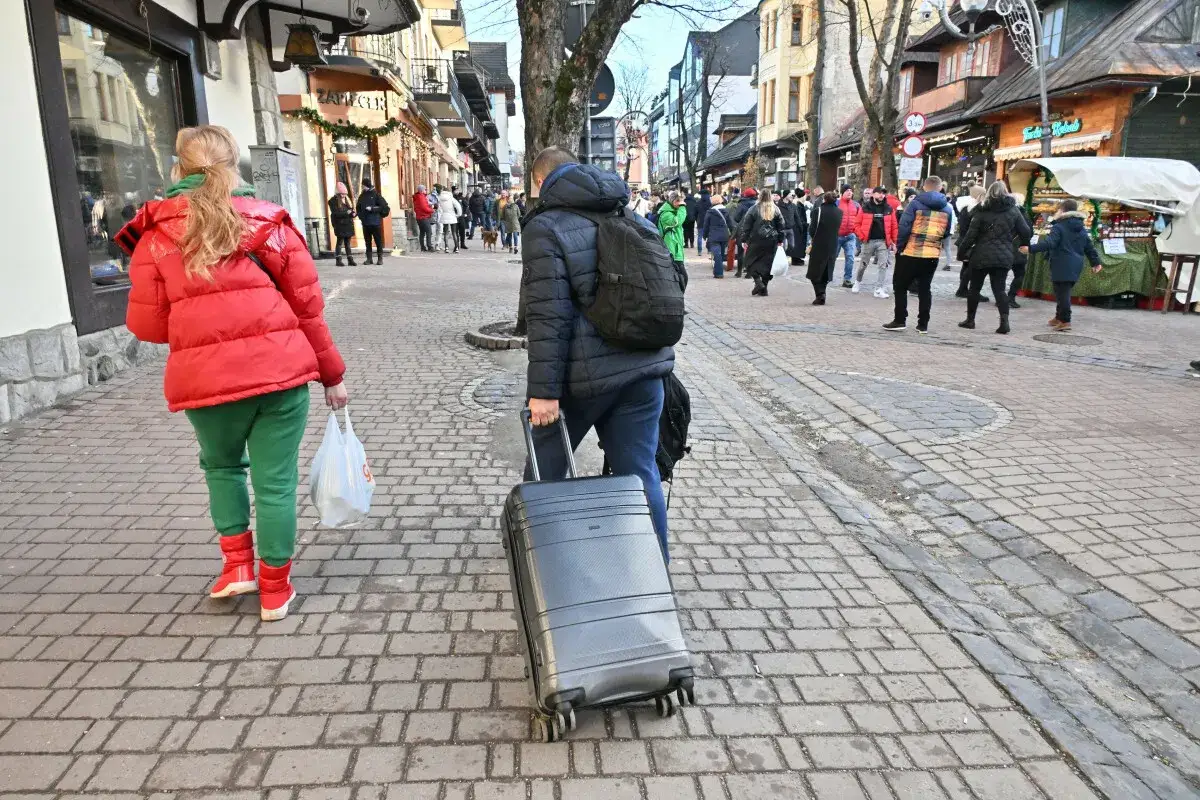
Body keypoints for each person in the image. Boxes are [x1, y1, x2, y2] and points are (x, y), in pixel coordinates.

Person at [116, 125, 348, 622]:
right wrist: (332, 375)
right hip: (281, 375)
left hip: (205, 381)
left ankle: (236, 566)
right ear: (234, 164)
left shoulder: (155, 236)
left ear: (178, 168)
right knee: (275, 484)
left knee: (221, 468)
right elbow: (309, 310)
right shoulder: (271, 224)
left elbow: (148, 325)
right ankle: (275, 590)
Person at [522, 146, 676, 558]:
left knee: (544, 474)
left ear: (540, 181)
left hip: (580, 381)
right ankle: (654, 567)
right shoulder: (631, 214)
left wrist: (544, 392)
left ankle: (547, 570)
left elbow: (548, 314)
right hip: (644, 371)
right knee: (640, 476)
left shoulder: (545, 227)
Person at [956, 180, 1032, 335]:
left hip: (980, 254)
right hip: (1004, 254)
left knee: (974, 288)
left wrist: (962, 253)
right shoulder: (1013, 211)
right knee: (999, 289)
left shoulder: (981, 210)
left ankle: (970, 320)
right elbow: (1026, 231)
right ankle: (1004, 322)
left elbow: (970, 236)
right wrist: (1021, 243)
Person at [885, 175, 954, 333]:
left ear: (924, 187)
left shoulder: (915, 204)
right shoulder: (947, 208)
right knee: (925, 288)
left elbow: (905, 227)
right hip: (932, 254)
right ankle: (923, 324)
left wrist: (900, 247)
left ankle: (900, 319)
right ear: (940, 187)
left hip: (912, 251)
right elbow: (946, 231)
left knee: (900, 286)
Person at [1028, 199, 1102, 332]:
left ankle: (1065, 321)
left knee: (1063, 293)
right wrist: (1095, 262)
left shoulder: (1059, 226)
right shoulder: (1081, 227)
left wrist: (1030, 249)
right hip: (1075, 264)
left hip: (1061, 262)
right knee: (1061, 291)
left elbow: (1050, 243)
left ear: (1062, 210)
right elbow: (1089, 246)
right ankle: (1059, 317)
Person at [738, 188, 785, 297]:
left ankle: (758, 282)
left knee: (750, 262)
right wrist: (780, 240)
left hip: (756, 240)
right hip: (771, 241)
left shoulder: (753, 209)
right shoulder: (776, 209)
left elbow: (747, 225)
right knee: (768, 264)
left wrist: (744, 239)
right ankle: (764, 288)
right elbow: (781, 226)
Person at [853, 186, 899, 298]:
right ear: (873, 194)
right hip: (868, 241)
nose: (881, 195)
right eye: (879, 193)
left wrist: (894, 242)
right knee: (863, 264)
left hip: (883, 241)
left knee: (883, 265)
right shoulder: (865, 208)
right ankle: (857, 282)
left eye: (883, 193)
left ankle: (879, 289)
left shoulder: (888, 209)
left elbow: (894, 226)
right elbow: (856, 224)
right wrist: (862, 236)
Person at [806, 191, 843, 305]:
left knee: (815, 271)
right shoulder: (839, 212)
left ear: (824, 200)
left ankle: (820, 293)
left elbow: (812, 229)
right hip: (833, 244)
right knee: (826, 270)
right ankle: (822, 292)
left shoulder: (818, 211)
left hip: (819, 244)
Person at [954, 184, 987, 299]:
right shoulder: (973, 209)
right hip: (970, 241)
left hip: (964, 240)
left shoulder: (966, 208)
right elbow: (969, 229)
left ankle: (963, 288)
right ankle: (964, 289)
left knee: (966, 266)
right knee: (970, 267)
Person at [1007, 192, 1033, 307]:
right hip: (1018, 248)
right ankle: (1010, 297)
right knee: (1019, 274)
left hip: (1003, 247)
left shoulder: (1004, 212)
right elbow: (1029, 232)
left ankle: (1001, 298)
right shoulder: (1022, 214)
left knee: (1000, 275)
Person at [355, 177, 389, 265]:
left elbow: (384, 207)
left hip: (375, 222)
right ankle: (369, 259)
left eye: (363, 185)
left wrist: (372, 209)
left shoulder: (376, 194)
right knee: (367, 241)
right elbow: (358, 207)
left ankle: (380, 258)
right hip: (365, 222)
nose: (362, 187)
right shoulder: (362, 195)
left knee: (378, 241)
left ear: (366, 185)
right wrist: (360, 216)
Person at [836, 185, 862, 288]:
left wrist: (858, 233)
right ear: (842, 192)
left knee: (850, 258)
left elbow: (860, 220)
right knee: (832, 257)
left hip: (850, 236)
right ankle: (827, 277)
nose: (850, 192)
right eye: (847, 190)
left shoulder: (856, 205)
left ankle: (847, 280)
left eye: (851, 190)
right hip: (837, 236)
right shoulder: (836, 203)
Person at [702, 194, 733, 278]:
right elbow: (730, 224)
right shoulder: (726, 211)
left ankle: (719, 273)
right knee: (721, 255)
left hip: (714, 236)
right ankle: (717, 272)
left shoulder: (710, 212)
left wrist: (704, 235)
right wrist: (733, 234)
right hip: (724, 236)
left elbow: (706, 225)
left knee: (717, 255)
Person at [730, 187, 758, 278]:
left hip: (742, 229)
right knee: (752, 251)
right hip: (754, 230)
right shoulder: (757, 204)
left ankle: (739, 272)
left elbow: (736, 218)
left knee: (741, 251)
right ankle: (749, 273)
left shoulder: (741, 204)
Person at [658, 191, 687, 275]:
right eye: (677, 201)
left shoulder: (673, 212)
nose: (680, 203)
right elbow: (677, 221)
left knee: (680, 278)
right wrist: (682, 207)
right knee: (682, 277)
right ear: (672, 201)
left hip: (676, 250)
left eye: (681, 201)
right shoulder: (666, 214)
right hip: (671, 251)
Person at [328, 182, 356, 266]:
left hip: (348, 224)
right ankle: (338, 260)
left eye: (345, 194)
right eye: (342, 194)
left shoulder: (347, 199)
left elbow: (350, 210)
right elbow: (335, 213)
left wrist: (353, 214)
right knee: (339, 242)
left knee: (348, 243)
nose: (344, 196)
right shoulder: (332, 201)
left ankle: (350, 260)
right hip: (339, 224)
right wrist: (346, 213)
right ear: (338, 193)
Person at [437, 186, 462, 253]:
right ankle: (456, 248)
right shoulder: (451, 198)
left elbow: (439, 208)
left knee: (445, 232)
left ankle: (446, 248)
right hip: (452, 216)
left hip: (444, 216)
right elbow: (458, 206)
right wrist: (458, 214)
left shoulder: (439, 198)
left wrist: (441, 214)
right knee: (454, 232)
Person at [413, 185, 434, 252]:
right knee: (429, 232)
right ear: (422, 190)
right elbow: (424, 208)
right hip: (424, 217)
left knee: (422, 232)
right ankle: (429, 246)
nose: (426, 190)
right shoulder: (421, 197)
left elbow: (423, 206)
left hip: (419, 217)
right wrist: (432, 210)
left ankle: (423, 247)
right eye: (425, 189)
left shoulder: (418, 196)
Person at [695, 187, 712, 255]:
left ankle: (699, 251)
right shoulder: (710, 202)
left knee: (699, 236)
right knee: (709, 236)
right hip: (709, 221)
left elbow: (695, 213)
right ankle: (709, 250)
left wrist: (697, 219)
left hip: (700, 221)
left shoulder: (698, 202)